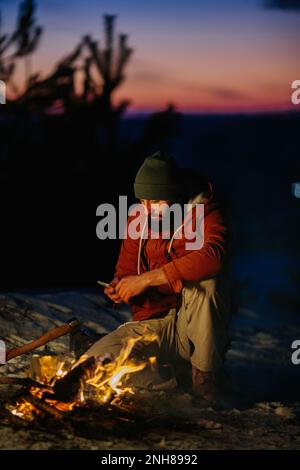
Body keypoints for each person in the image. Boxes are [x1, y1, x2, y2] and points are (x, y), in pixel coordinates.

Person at [84, 150, 232, 402]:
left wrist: (147, 279)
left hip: (191, 325)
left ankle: (205, 378)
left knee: (207, 283)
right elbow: (125, 271)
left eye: (156, 202)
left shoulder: (204, 211)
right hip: (154, 325)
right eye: (143, 201)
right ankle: (173, 380)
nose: (147, 209)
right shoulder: (138, 220)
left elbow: (214, 256)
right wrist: (119, 287)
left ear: (175, 195)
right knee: (95, 364)